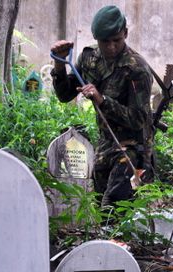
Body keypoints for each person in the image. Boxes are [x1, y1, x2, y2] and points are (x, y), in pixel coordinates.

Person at [50, 5, 154, 208]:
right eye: (106, 42)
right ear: (97, 39)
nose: (112, 47)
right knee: (99, 207)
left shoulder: (137, 69)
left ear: (125, 33)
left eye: (117, 40)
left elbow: (138, 118)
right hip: (106, 146)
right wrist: (60, 65)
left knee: (113, 208)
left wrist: (102, 100)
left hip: (133, 150)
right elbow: (65, 95)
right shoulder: (89, 59)